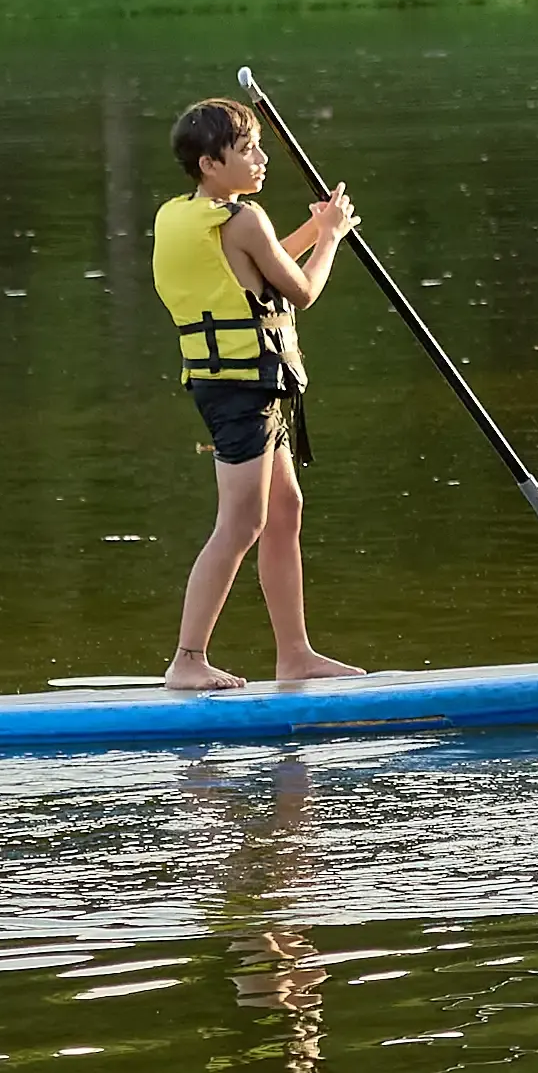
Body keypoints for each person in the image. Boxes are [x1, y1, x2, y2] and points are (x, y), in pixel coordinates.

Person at [155, 95, 361, 690]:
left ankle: (294, 654)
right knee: (242, 522)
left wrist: (316, 228)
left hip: (240, 384)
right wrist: (330, 239)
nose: (261, 159)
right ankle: (187, 658)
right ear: (209, 165)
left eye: (259, 147)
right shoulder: (243, 219)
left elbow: (262, 268)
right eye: (246, 150)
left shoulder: (192, 215)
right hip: (242, 389)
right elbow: (302, 292)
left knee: (285, 508)